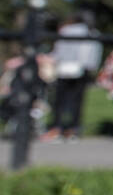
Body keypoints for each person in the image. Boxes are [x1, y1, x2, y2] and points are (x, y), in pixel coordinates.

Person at [43, 13, 102, 142]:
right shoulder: (92, 32)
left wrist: (49, 59)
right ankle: (73, 129)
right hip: (82, 69)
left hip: (64, 68)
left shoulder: (66, 30)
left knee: (59, 101)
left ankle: (56, 128)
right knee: (77, 101)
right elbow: (94, 53)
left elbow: (59, 51)